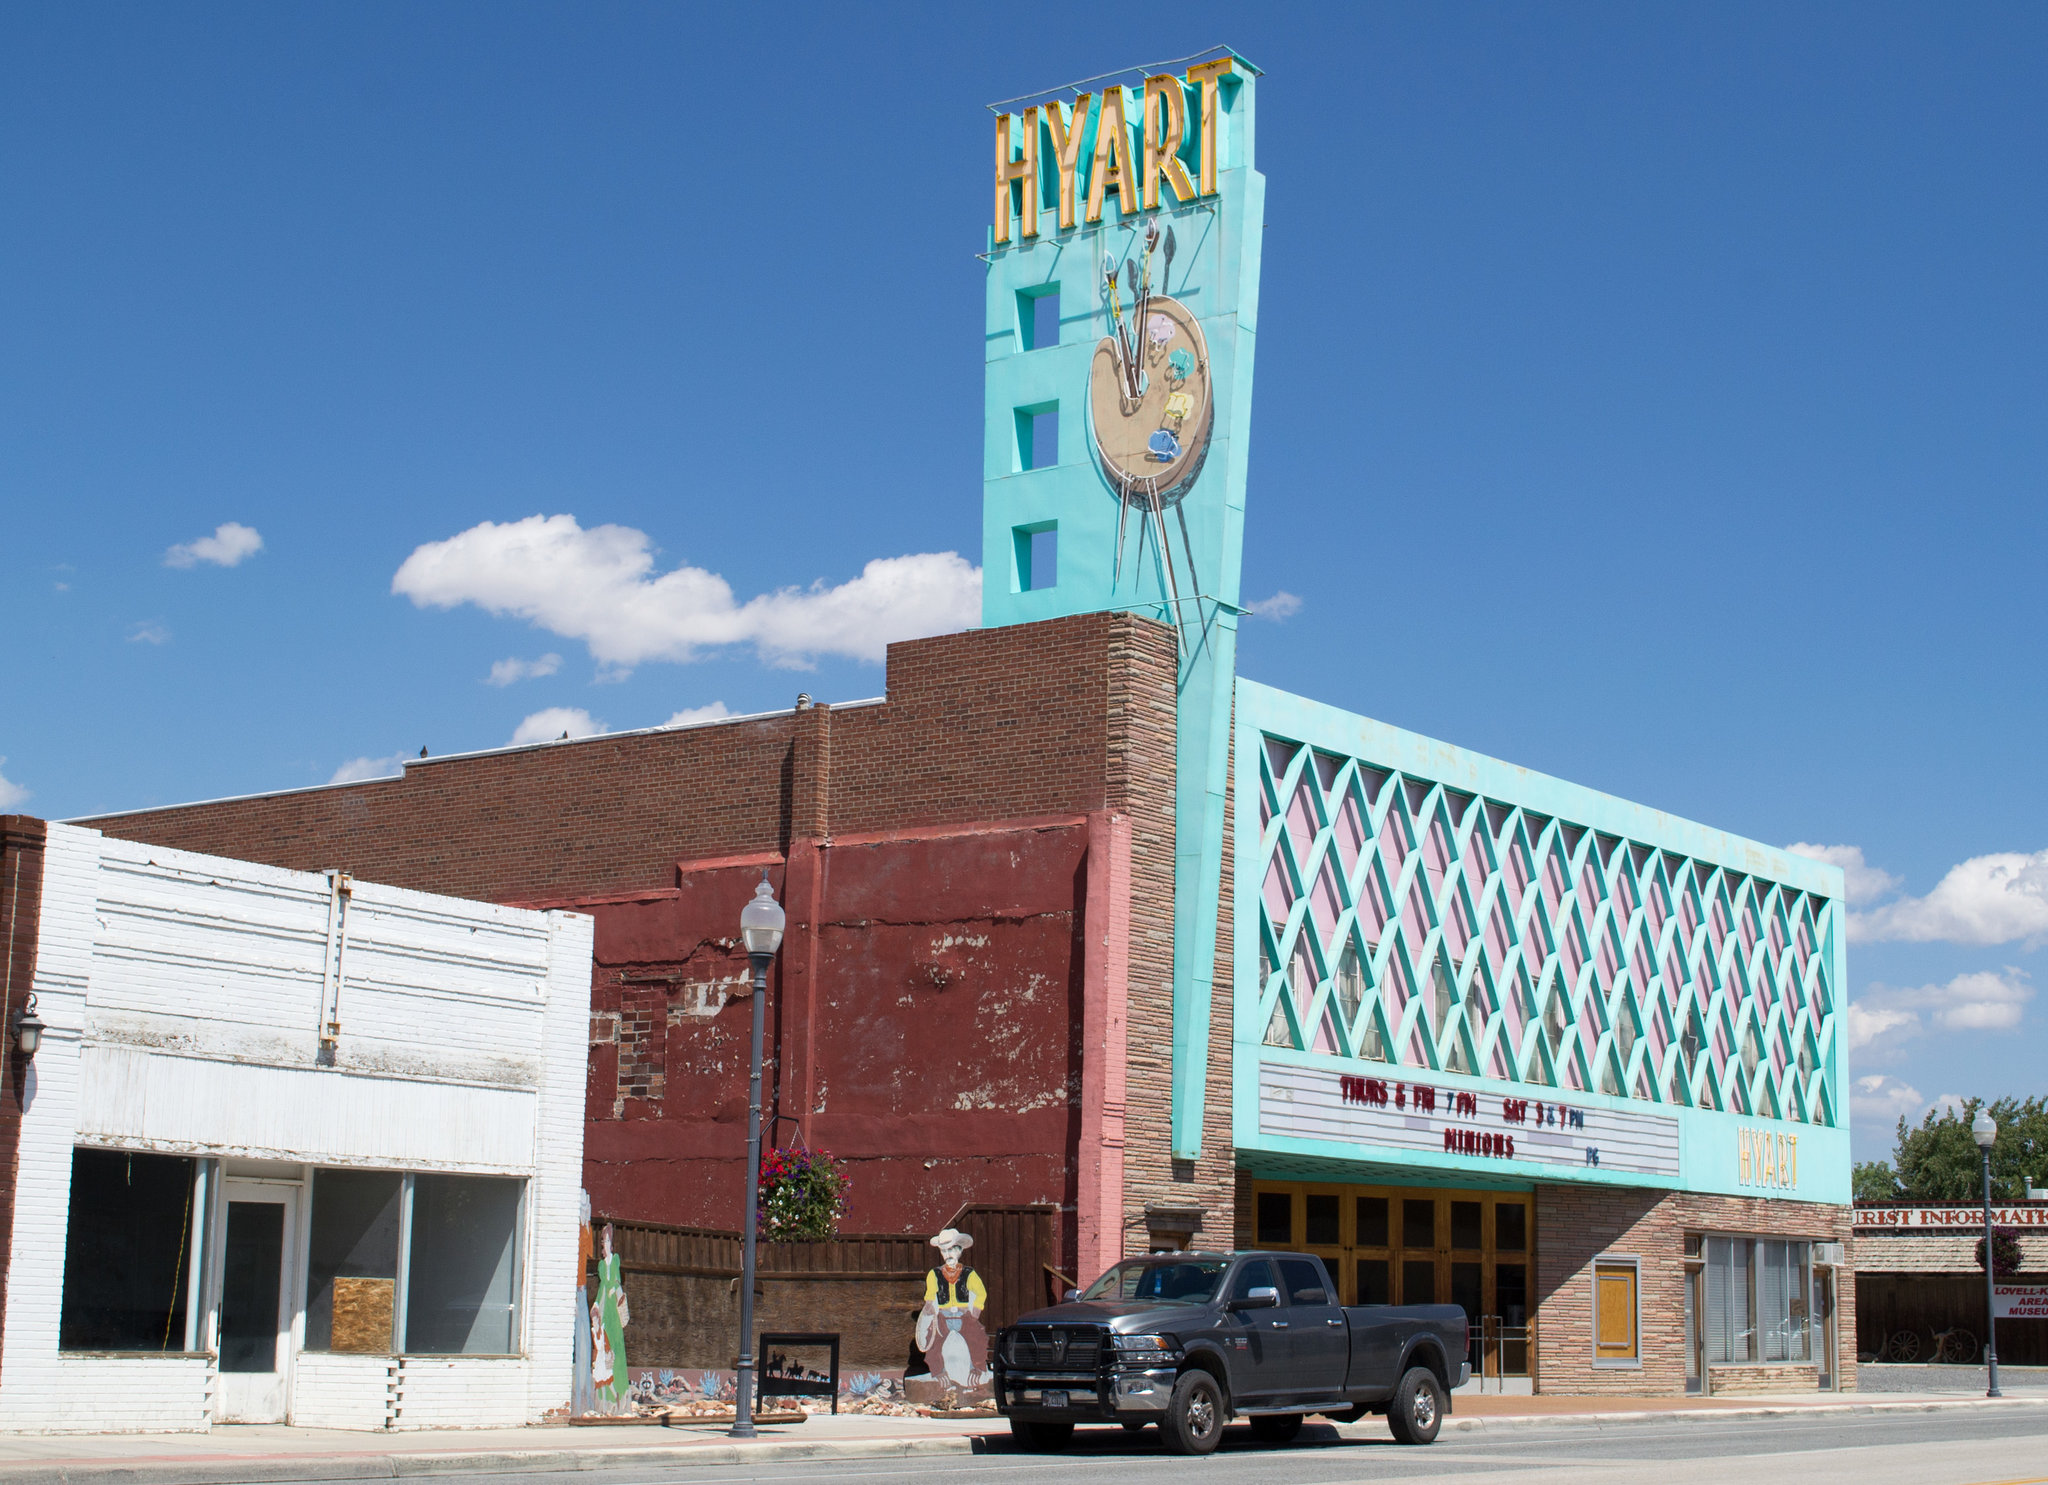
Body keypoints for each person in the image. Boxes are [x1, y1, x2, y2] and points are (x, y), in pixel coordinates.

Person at [915, 1228, 988, 1388]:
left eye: (951, 1250)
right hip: (943, 1315)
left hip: (964, 1315)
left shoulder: (969, 1273)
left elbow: (981, 1292)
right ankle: (939, 1372)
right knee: (933, 1341)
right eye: (944, 1251)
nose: (948, 1255)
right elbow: (930, 1294)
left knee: (977, 1338)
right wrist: (929, 1305)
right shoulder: (934, 1274)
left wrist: (976, 1310)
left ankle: (977, 1370)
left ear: (959, 1250)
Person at [590, 1222, 631, 1413]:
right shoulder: (600, 1264)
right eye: (602, 1241)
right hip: (605, 1310)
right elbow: (601, 1288)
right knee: (603, 1351)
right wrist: (597, 1305)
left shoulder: (615, 1260)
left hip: (613, 1310)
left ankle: (620, 1397)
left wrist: (617, 1292)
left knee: (615, 1348)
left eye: (606, 1241)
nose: (604, 1245)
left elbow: (615, 1282)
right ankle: (604, 1400)